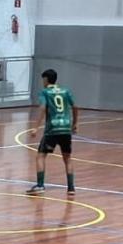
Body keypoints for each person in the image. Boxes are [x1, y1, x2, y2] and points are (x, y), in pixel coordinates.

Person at [27, 68, 76, 196]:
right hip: (66, 128)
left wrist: (36, 127)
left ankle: (40, 185)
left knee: (41, 155)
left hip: (52, 129)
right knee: (68, 158)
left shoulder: (45, 92)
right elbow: (75, 107)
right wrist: (74, 124)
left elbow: (43, 108)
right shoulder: (66, 91)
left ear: (46, 79)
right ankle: (71, 188)